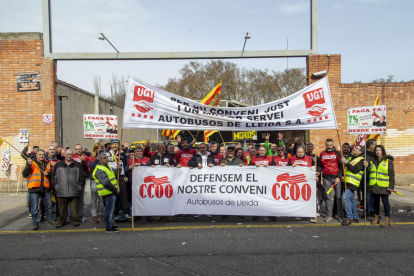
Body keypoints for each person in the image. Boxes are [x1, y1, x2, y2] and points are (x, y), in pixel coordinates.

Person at [52, 149, 85, 228]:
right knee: (62, 208)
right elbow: (53, 176)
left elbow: (82, 176)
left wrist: (79, 186)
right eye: (67, 154)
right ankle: (62, 221)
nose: (69, 156)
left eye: (71, 154)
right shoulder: (58, 165)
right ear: (64, 155)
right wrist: (56, 186)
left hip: (74, 189)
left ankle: (76, 220)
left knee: (74, 208)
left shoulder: (77, 164)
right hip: (61, 190)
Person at [22, 150, 53, 230]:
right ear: (36, 155)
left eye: (43, 154)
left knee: (48, 206)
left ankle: (49, 220)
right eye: (40, 154)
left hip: (45, 188)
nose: (41, 156)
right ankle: (35, 223)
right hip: (34, 189)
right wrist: (28, 165)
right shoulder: (32, 163)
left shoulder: (47, 164)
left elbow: (51, 175)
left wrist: (48, 174)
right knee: (34, 208)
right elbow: (24, 174)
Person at [366, 145, 395, 228]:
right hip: (374, 185)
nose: (378, 152)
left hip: (384, 185)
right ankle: (376, 217)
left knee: (385, 202)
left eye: (380, 150)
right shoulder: (371, 160)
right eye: (377, 150)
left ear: (383, 151)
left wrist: (391, 186)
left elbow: (391, 174)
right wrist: (367, 166)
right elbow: (369, 173)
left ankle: (387, 219)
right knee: (375, 203)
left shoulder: (388, 161)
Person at [93, 153, 121, 233]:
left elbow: (113, 176)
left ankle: (110, 225)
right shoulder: (99, 169)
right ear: (100, 160)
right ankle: (108, 227)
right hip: (107, 192)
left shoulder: (108, 167)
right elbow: (105, 183)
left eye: (107, 157)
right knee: (109, 210)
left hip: (111, 192)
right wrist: (115, 189)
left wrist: (118, 169)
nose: (106, 159)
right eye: (104, 158)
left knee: (110, 210)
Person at [317, 139, 344, 222]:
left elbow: (341, 166)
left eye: (330, 145)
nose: (329, 147)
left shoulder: (338, 153)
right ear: (325, 145)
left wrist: (339, 177)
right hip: (326, 178)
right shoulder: (322, 153)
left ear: (333, 145)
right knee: (327, 197)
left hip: (335, 178)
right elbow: (320, 165)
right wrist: (318, 173)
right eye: (327, 145)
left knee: (338, 197)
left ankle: (339, 215)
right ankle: (329, 215)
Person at [288, 146, 317, 223]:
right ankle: (299, 213)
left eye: (301, 152)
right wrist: (291, 167)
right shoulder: (292, 159)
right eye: (298, 152)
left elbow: (315, 168)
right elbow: (286, 170)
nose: (300, 153)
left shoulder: (310, 158)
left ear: (304, 152)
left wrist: (317, 175)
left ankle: (311, 215)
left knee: (309, 198)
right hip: (296, 182)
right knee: (298, 198)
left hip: (308, 182)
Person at [188, 143, 216, 219]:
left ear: (206, 148)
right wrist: (197, 164)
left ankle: (208, 212)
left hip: (208, 179)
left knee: (208, 196)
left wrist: (212, 165)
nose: (202, 149)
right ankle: (199, 212)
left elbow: (216, 165)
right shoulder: (196, 156)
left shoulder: (211, 157)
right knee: (199, 196)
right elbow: (189, 163)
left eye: (203, 148)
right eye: (201, 148)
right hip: (199, 179)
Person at [340, 145, 365, 226]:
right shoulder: (351, 158)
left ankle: (349, 217)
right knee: (352, 200)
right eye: (355, 147)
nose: (354, 149)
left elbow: (355, 170)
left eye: (357, 148)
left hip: (353, 183)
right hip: (348, 182)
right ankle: (355, 216)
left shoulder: (361, 160)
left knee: (345, 198)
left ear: (361, 152)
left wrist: (346, 163)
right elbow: (347, 170)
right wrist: (344, 175)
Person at [109, 139, 131, 221]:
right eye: (113, 144)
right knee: (115, 195)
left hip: (121, 176)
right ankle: (116, 214)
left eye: (116, 144)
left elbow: (125, 165)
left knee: (124, 194)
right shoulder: (108, 154)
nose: (115, 146)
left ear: (119, 145)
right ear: (111, 145)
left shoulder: (122, 154)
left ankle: (126, 213)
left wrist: (125, 175)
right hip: (112, 177)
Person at [70, 144, 90, 222]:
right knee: (72, 198)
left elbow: (87, 168)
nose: (78, 150)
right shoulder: (72, 157)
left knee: (81, 199)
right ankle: (72, 215)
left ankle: (81, 215)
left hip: (82, 179)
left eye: (80, 149)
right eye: (77, 149)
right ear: (74, 150)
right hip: (73, 179)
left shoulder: (85, 157)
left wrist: (83, 161)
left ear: (82, 149)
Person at [88, 143, 105, 223]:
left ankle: (100, 213)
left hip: (102, 179)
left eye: (100, 148)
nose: (99, 149)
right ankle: (94, 215)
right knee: (94, 199)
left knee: (101, 199)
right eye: (97, 148)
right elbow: (91, 167)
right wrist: (98, 159)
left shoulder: (105, 157)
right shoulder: (91, 158)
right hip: (94, 179)